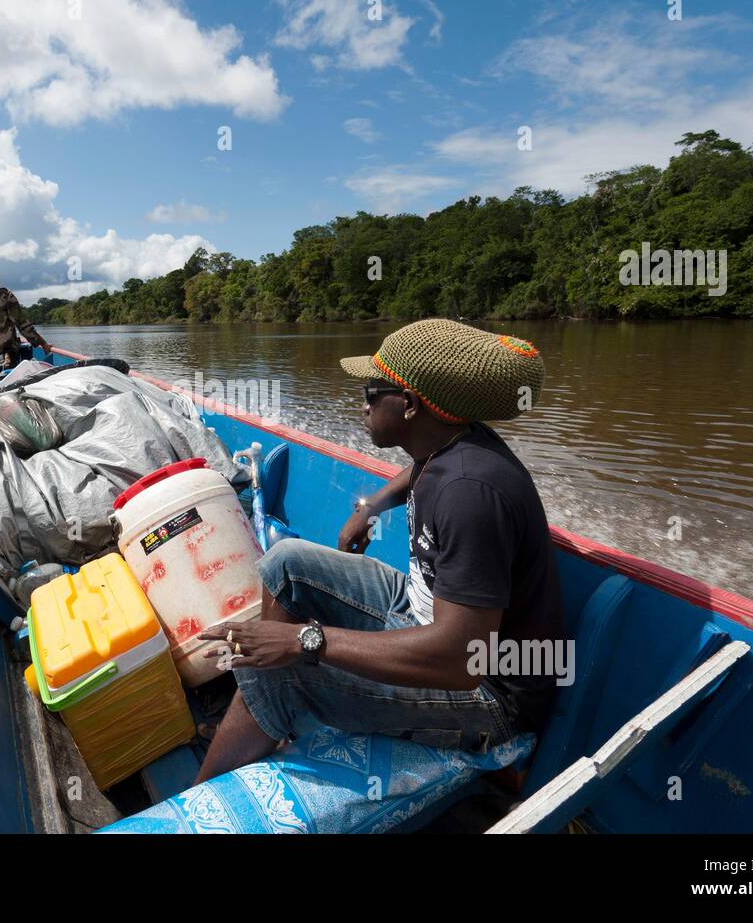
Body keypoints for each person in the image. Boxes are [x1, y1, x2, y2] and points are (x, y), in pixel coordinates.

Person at [194, 318, 565, 784]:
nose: (362, 404)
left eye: (372, 392)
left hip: (485, 692)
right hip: (420, 613)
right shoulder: (452, 439)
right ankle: (271, 717)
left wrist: (303, 641)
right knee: (286, 564)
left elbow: (462, 659)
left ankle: (245, 735)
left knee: (277, 671)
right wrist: (369, 506)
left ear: (409, 405)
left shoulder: (470, 494)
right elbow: (419, 470)